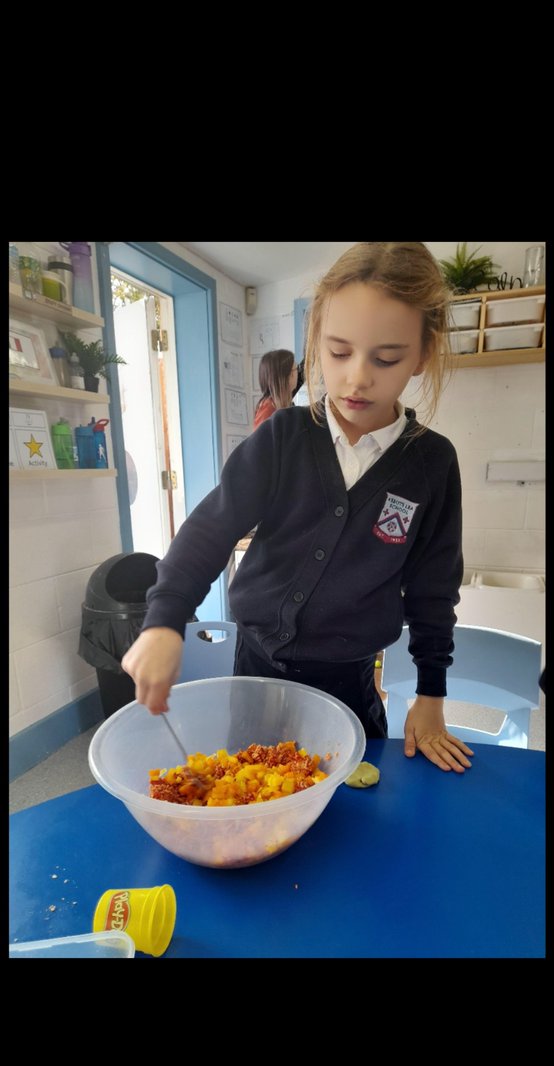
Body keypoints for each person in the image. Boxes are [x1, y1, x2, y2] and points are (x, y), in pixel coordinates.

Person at [122, 242, 473, 774]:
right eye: (337, 352)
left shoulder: (431, 463)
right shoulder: (282, 437)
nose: (357, 378)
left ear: (422, 353)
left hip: (349, 685)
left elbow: (433, 589)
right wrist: (163, 621)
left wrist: (431, 694)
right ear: (315, 344)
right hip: (255, 673)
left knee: (349, 814)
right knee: (249, 797)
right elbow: (210, 530)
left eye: (386, 358)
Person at [252, 349, 297, 429]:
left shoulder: (283, 403)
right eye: (296, 368)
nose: (297, 373)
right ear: (289, 375)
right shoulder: (268, 409)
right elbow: (261, 440)